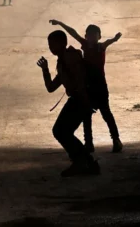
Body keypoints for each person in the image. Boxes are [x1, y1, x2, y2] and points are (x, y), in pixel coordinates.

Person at [50, 20, 123, 153]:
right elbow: (73, 32)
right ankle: (88, 143)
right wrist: (61, 23)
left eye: (94, 35)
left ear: (99, 37)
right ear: (86, 36)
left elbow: (110, 41)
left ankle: (116, 139)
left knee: (106, 113)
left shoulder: (101, 47)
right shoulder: (84, 45)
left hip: (100, 85)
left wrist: (115, 39)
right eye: (89, 35)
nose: (91, 38)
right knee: (86, 115)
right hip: (87, 86)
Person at [37, 30, 100, 177]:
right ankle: (87, 162)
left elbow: (81, 80)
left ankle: (81, 162)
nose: (51, 48)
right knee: (62, 131)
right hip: (77, 99)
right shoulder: (62, 61)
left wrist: (86, 103)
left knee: (61, 131)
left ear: (63, 43)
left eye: (53, 44)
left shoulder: (70, 57)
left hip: (80, 99)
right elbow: (51, 88)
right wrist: (45, 70)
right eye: (49, 45)